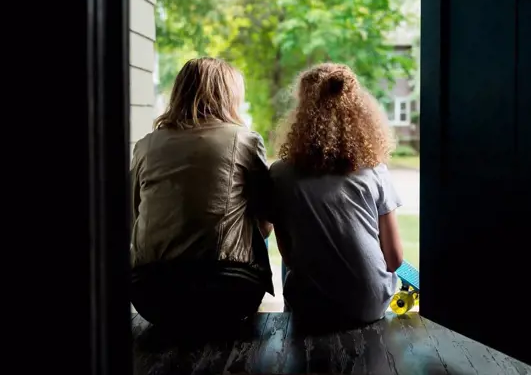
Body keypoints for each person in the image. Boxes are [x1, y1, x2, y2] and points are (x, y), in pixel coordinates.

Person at [130, 57, 273, 331]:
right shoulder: (245, 140)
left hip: (150, 295)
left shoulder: (146, 145)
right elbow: (267, 224)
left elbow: (131, 215)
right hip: (227, 293)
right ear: (229, 95)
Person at [270, 63, 404, 328]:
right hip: (368, 304)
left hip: (310, 307)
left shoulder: (280, 174)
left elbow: (289, 256)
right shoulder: (375, 171)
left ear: (301, 113)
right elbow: (394, 259)